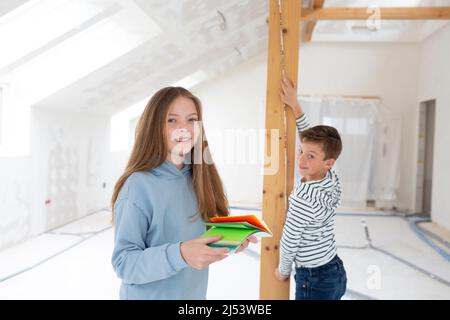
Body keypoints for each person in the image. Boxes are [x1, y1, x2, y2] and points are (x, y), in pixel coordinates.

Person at [111, 87, 256, 300]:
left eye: (191, 120)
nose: (184, 129)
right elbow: (124, 264)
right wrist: (180, 254)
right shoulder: (137, 186)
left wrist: (230, 236)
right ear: (154, 127)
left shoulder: (198, 178)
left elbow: (195, 233)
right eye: (172, 120)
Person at [274, 74, 347, 300]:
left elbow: (290, 238)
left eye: (310, 156)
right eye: (301, 152)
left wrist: (283, 270)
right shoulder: (331, 177)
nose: (302, 160)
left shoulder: (304, 198)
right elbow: (309, 139)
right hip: (335, 269)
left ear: (328, 162)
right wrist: (294, 105)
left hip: (313, 279)